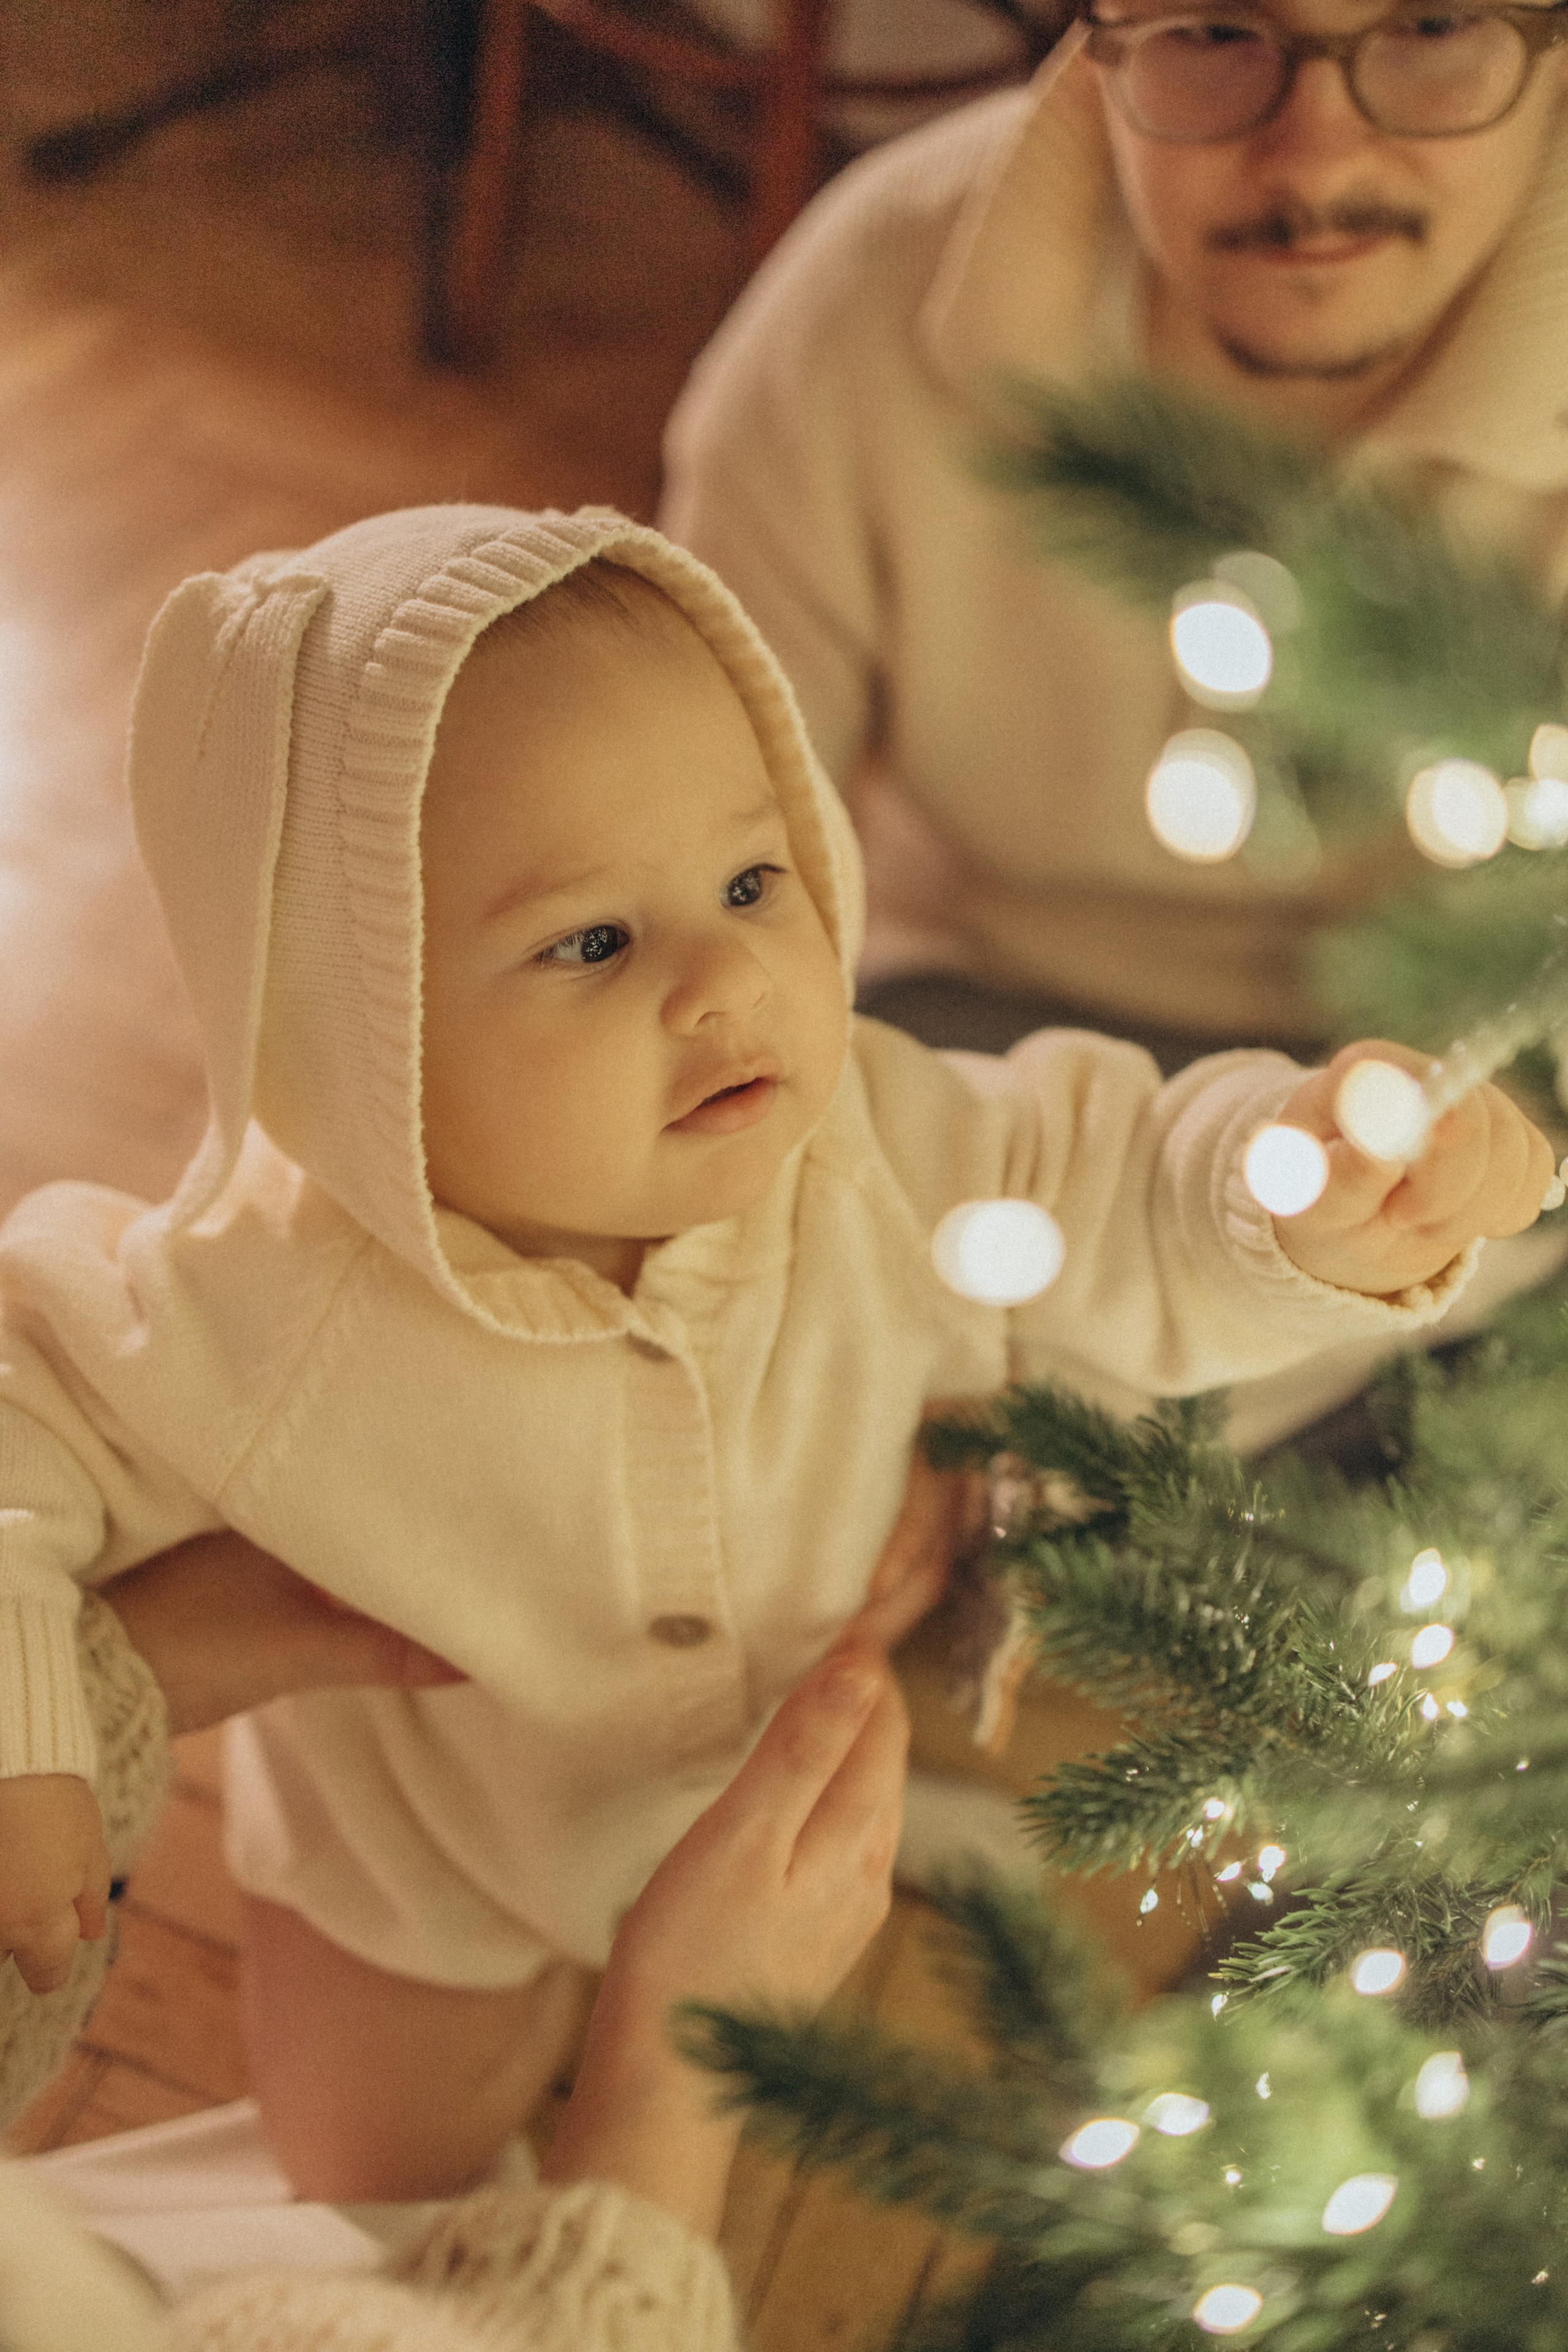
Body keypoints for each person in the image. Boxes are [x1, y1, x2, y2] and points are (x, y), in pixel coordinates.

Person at [0, 503, 1549, 2204]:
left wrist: (1300, 1189)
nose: (727, 976)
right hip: (427, 1868)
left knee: (788, 2034)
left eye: (753, 880)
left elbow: (1109, 1176)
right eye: (593, 940)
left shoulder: (873, 1144)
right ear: (340, 1034)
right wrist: (28, 1730)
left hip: (776, 1770)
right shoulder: (258, 1304)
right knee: (377, 2188)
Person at [660, 0, 1568, 1063]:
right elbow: (688, 838)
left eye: (1432, 27)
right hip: (963, 1022)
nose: (1317, 163)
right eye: (1217, 34)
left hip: (1494, 1070)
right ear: (1096, 39)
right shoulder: (877, 286)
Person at [0, 1539, 908, 2352]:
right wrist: (672, 2073)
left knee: (375, 2160)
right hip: (420, 1791)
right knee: (373, 2160)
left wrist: (97, 1683)